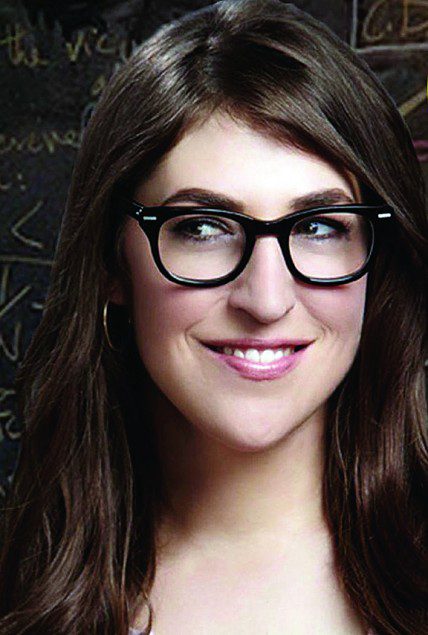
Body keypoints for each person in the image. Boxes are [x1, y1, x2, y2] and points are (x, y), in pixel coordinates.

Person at [0, 0, 426, 633]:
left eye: (318, 227)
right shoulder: (24, 594)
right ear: (113, 262)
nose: (266, 300)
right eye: (203, 228)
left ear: (376, 260)